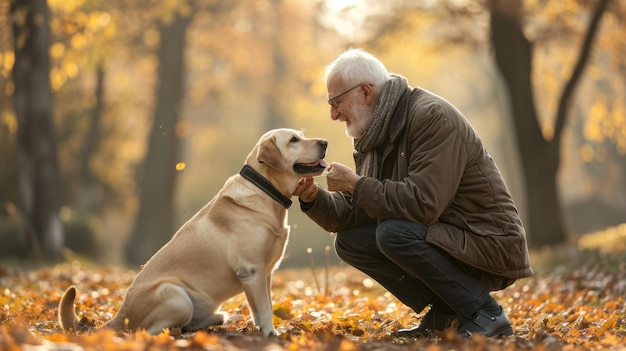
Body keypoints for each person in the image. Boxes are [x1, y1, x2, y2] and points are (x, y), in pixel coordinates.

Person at [293, 48, 533, 338]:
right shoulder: (373, 131)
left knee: (393, 234)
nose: (333, 114)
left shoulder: (431, 116)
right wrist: (314, 199)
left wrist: (356, 184)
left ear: (366, 92)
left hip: (489, 241)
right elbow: (357, 214)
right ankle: (446, 313)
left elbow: (423, 204)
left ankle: (486, 313)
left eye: (336, 102)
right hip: (447, 235)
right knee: (350, 242)